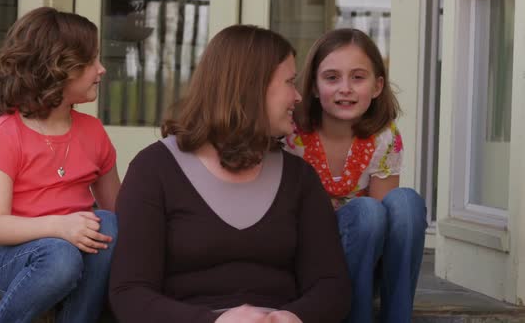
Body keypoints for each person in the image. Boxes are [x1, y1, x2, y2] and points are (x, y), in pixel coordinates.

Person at [109, 24, 351, 323]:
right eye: (289, 82)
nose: (298, 97)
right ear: (251, 87)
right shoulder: (154, 169)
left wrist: (294, 317)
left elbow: (331, 285)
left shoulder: (299, 177)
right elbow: (130, 293)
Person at [0, 7, 120, 323]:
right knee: (60, 255)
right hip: (14, 257)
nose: (101, 69)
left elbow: (118, 211)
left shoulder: (93, 132)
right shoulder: (3, 135)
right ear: (58, 68)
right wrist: (61, 227)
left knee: (110, 225)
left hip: (75, 254)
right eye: (91, 61)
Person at [284, 28, 427, 323]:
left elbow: (386, 220)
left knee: (405, 203)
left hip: (367, 261)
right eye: (332, 77)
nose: (345, 88)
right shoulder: (292, 136)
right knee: (365, 211)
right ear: (313, 86)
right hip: (314, 264)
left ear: (377, 87)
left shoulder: (384, 137)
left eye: (358, 77)